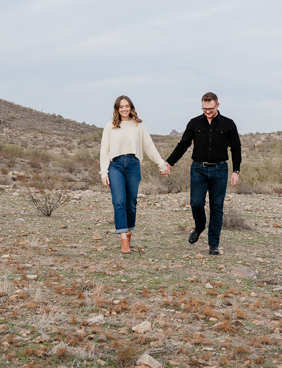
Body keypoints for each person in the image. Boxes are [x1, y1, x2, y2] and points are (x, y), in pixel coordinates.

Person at [165, 92, 241, 255]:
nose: (207, 111)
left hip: (220, 170)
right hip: (198, 169)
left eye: (210, 108)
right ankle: (199, 227)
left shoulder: (228, 124)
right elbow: (183, 144)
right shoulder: (194, 123)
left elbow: (236, 148)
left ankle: (213, 244)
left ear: (217, 106)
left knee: (216, 208)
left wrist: (236, 171)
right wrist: (169, 162)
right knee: (196, 203)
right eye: (204, 108)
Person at [100, 95, 169, 253]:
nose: (124, 109)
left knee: (131, 203)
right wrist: (104, 173)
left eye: (127, 106)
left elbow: (149, 146)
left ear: (131, 107)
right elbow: (104, 151)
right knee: (119, 201)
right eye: (121, 106)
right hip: (115, 166)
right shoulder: (110, 126)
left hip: (133, 165)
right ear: (117, 109)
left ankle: (128, 232)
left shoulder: (139, 125)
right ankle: (123, 238)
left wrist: (161, 164)